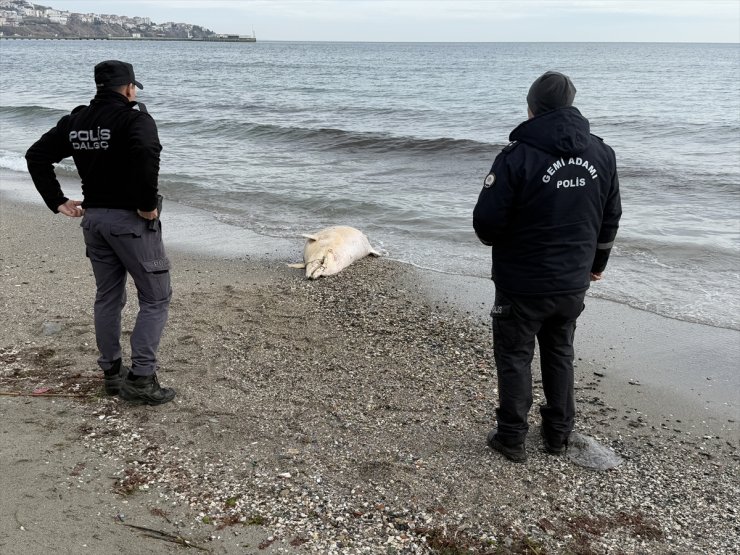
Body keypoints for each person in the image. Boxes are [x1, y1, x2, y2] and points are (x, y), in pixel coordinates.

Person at [473, 71, 622, 463]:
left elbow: (486, 224)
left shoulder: (517, 155)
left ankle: (512, 438)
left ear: (532, 107)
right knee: (559, 352)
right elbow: (611, 217)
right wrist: (596, 264)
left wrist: (504, 239)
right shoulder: (602, 154)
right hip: (571, 281)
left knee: (515, 355)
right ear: (571, 105)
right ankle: (557, 436)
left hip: (522, 283)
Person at [26, 60, 175, 406]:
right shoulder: (134, 117)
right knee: (155, 298)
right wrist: (147, 203)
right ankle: (140, 378)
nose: (134, 92)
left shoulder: (76, 121)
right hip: (131, 223)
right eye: (133, 87)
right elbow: (147, 150)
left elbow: (37, 155)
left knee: (108, 296)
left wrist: (57, 200)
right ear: (127, 88)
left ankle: (111, 374)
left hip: (94, 221)